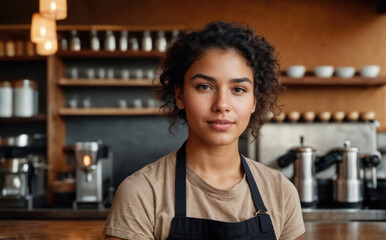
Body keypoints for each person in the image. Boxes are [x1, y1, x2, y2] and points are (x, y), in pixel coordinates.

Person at [104, 21, 305, 240]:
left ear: (254, 101)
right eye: (205, 87)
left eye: (238, 89)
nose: (221, 104)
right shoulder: (142, 193)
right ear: (180, 95)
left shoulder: (281, 192)